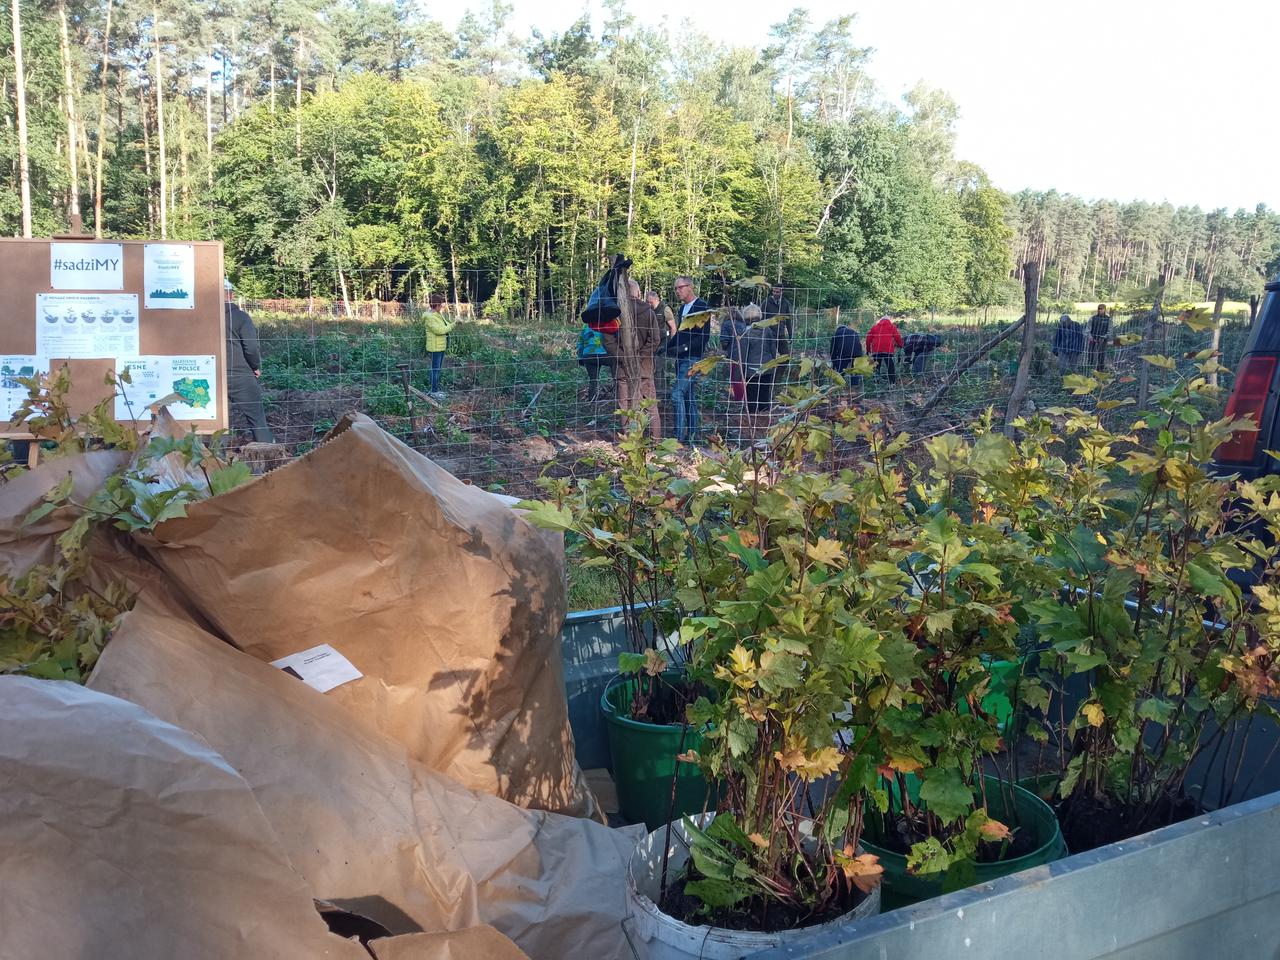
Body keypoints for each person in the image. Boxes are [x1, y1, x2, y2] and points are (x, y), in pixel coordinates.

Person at [224, 279, 274, 443]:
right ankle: (267, 453)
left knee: (216, 421)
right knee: (257, 419)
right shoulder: (241, 317)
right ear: (230, 294)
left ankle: (217, 459)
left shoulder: (203, 318)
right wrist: (255, 366)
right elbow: (251, 347)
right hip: (240, 375)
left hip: (211, 375)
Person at [664, 275, 711, 445]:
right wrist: (668, 346)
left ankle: (678, 436)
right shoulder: (682, 309)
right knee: (688, 397)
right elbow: (681, 334)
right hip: (682, 358)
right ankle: (693, 436)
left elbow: (703, 337)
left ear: (690, 287)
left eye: (680, 287)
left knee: (677, 393)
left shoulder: (701, 306)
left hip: (693, 358)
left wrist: (683, 348)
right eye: (675, 288)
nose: (677, 291)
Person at [616, 278, 663, 438]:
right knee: (650, 405)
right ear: (637, 292)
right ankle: (656, 441)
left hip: (622, 367)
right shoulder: (649, 312)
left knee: (625, 404)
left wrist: (624, 357)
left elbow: (607, 340)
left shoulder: (615, 312)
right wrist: (640, 357)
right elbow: (655, 339)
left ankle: (630, 440)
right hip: (645, 367)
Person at [739, 304, 779, 417]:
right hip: (767, 367)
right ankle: (764, 417)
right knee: (764, 393)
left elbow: (743, 354)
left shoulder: (745, 333)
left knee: (751, 395)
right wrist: (773, 362)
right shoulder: (767, 330)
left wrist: (741, 369)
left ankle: (750, 418)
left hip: (751, 371)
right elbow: (773, 349)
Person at [646, 290, 675, 433]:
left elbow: (673, 328)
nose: (648, 304)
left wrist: (671, 345)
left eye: (649, 302)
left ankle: (660, 398)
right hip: (652, 346)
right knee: (653, 370)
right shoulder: (649, 310)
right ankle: (655, 397)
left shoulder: (665, 309)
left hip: (663, 345)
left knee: (659, 371)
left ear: (654, 299)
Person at [423, 293, 458, 397]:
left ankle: (435, 389)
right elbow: (439, 330)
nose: (442, 306)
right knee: (435, 369)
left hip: (440, 345)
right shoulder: (430, 317)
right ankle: (434, 391)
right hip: (435, 347)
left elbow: (446, 325)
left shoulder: (437, 314)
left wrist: (454, 322)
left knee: (437, 368)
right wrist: (454, 325)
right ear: (436, 304)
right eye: (441, 304)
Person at [576, 322, 614, 401]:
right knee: (616, 365)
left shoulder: (586, 325)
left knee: (593, 379)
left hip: (587, 355)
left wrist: (580, 357)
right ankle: (616, 392)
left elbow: (580, 342)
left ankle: (592, 399)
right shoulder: (606, 322)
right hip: (603, 353)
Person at [720, 307, 748, 403]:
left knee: (735, 376)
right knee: (743, 375)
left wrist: (725, 350)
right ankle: (745, 397)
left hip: (734, 353)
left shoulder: (727, 324)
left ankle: (739, 399)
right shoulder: (744, 324)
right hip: (746, 352)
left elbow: (724, 341)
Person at [865, 315, 904, 383]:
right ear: (889, 320)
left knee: (876, 365)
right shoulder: (892, 327)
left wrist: (868, 349)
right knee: (890, 365)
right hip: (888, 349)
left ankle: (876, 381)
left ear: (880, 320)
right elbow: (897, 337)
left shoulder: (874, 327)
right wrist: (900, 345)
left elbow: (868, 339)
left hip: (876, 349)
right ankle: (892, 382)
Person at [762, 284, 794, 356]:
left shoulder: (785, 303)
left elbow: (788, 320)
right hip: (769, 334)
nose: (775, 293)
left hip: (781, 334)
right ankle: (772, 367)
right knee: (770, 357)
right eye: (774, 291)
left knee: (786, 357)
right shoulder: (766, 302)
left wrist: (790, 334)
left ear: (782, 292)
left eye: (777, 292)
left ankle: (779, 368)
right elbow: (761, 318)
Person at [1088, 304, 1112, 371]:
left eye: (1102, 309)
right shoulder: (1093, 318)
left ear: (1105, 309)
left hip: (1102, 340)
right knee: (1090, 353)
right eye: (1099, 309)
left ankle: (1100, 369)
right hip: (1093, 339)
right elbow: (1088, 329)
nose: (1100, 310)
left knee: (1101, 354)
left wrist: (1104, 337)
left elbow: (1110, 331)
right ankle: (1090, 367)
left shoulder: (1108, 319)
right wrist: (1090, 336)